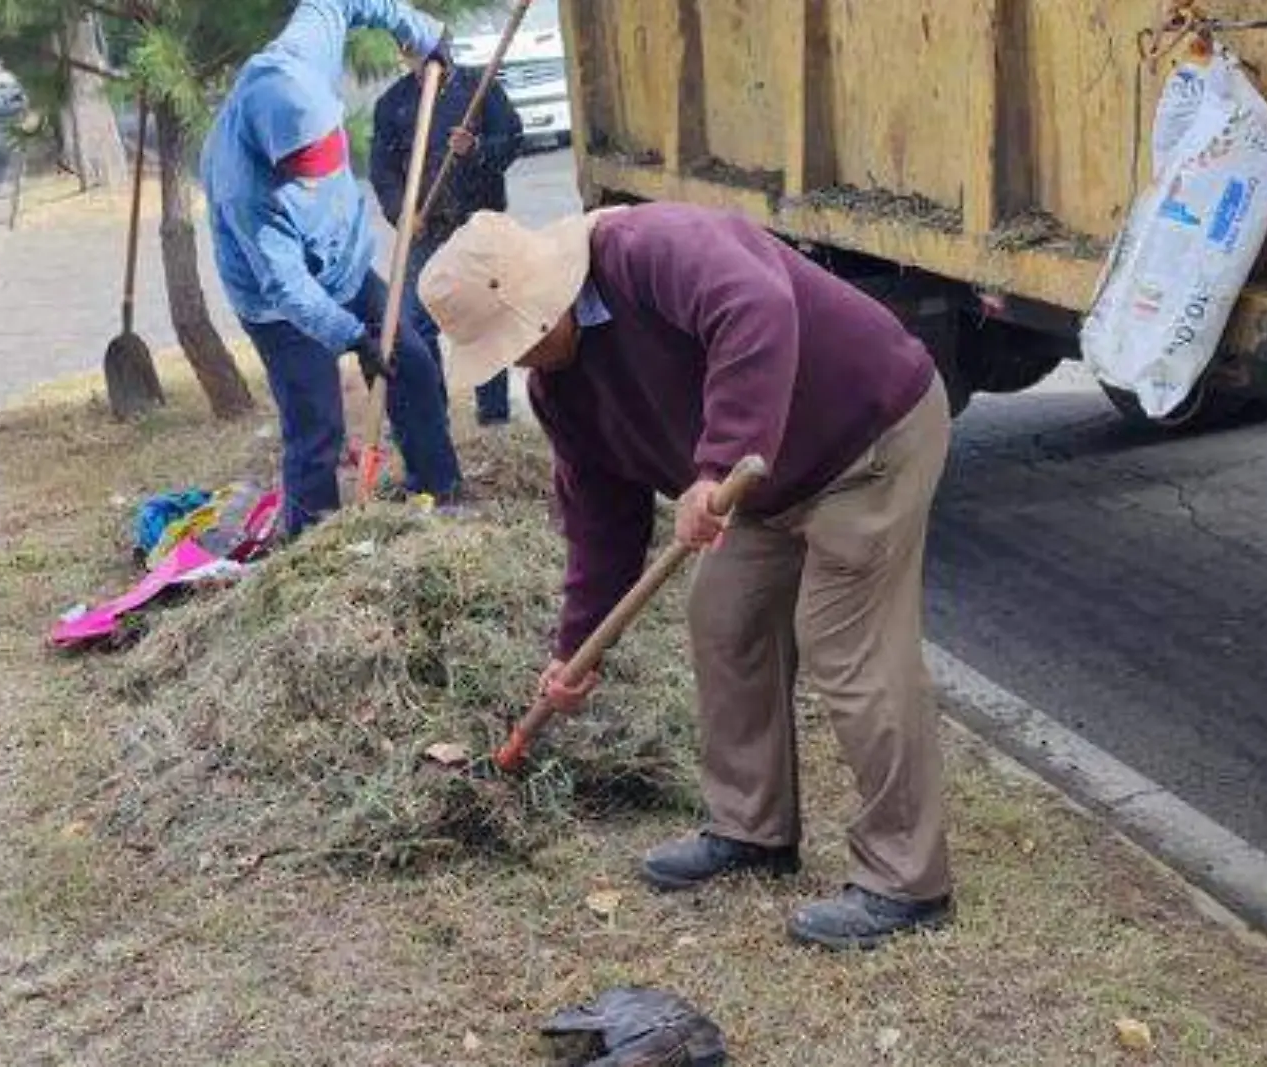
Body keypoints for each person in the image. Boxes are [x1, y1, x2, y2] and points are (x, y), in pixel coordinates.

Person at [419, 203, 956, 951]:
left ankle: (908, 879)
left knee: (848, 649)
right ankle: (751, 828)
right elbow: (602, 521)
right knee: (724, 619)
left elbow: (757, 306)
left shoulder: (649, 248)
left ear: (548, 296)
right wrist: (578, 648)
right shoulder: (559, 391)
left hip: (866, 437)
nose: (522, 358)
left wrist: (715, 464)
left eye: (525, 337)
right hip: (763, 483)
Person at [202, 0, 463, 538]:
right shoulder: (245, 191)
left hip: (343, 267)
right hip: (278, 306)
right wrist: (352, 337)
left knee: (410, 361)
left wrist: (424, 34)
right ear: (277, 159)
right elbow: (288, 288)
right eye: (304, 174)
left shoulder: (301, 57)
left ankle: (438, 491)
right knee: (316, 420)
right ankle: (314, 540)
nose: (317, 183)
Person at [369, 52, 525, 426]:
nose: (422, 55)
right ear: (403, 54)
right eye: (411, 48)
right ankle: (432, 416)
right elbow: (382, 170)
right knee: (416, 326)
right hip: (426, 230)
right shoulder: (393, 103)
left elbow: (513, 141)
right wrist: (402, 214)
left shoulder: (480, 88)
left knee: (484, 315)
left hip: (477, 225)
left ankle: (494, 416)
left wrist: (476, 149)